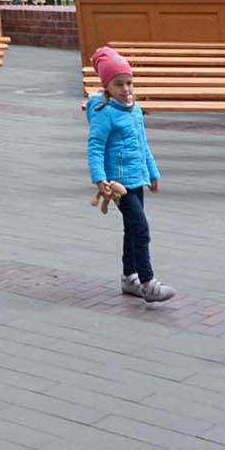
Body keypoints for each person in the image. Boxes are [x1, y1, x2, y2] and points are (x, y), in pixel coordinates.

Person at [86, 47, 173, 303]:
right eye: (118, 84)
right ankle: (148, 283)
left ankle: (128, 278)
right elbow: (95, 146)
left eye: (129, 83)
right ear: (106, 85)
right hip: (118, 183)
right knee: (141, 229)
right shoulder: (105, 112)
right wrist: (99, 178)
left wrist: (153, 171)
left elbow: (142, 144)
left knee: (131, 229)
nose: (125, 89)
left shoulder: (134, 109)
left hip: (137, 178)